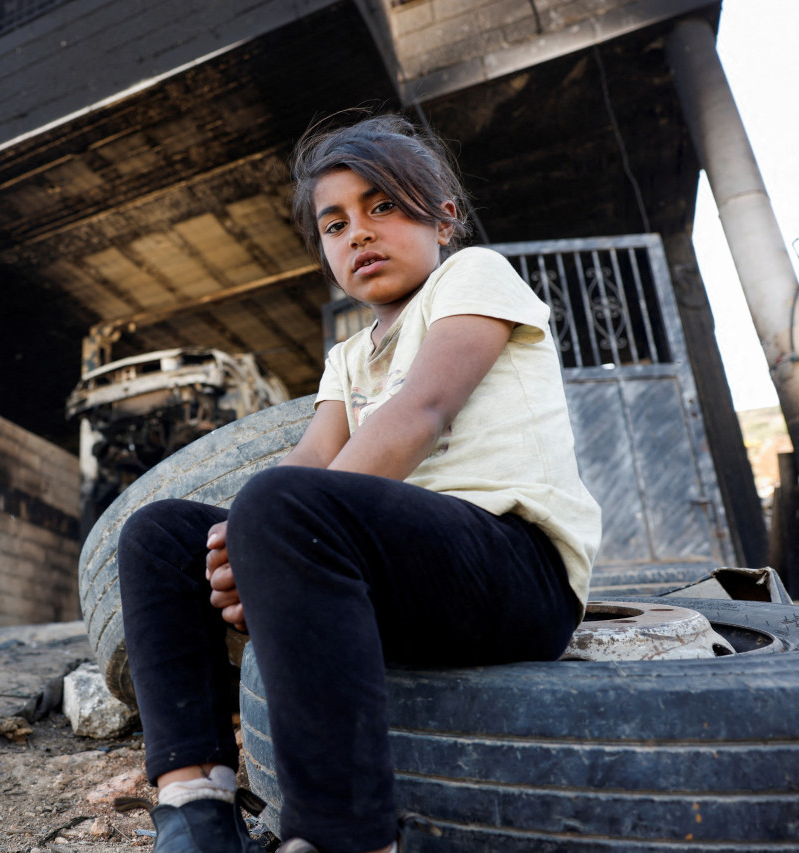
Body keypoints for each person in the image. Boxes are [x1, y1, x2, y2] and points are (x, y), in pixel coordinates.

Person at [115, 113, 601, 853]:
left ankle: (348, 838)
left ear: (445, 218)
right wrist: (241, 545)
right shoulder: (346, 357)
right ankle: (196, 808)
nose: (359, 233)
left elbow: (423, 410)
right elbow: (309, 459)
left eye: (383, 206)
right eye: (335, 223)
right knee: (160, 535)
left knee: (281, 511)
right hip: (399, 583)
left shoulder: (473, 277)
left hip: (513, 569)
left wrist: (275, 534)